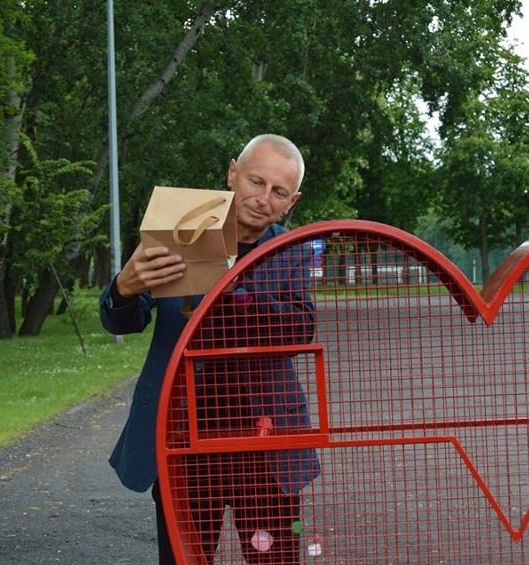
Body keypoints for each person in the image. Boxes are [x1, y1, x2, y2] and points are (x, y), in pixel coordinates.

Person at [99, 134, 320, 564]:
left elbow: (300, 328)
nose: (263, 199)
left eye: (278, 192)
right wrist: (125, 287)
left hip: (264, 447)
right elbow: (124, 319)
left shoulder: (292, 250)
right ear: (232, 171)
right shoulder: (179, 229)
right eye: (256, 182)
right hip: (181, 439)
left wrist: (237, 289)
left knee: (274, 559)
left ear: (292, 201)